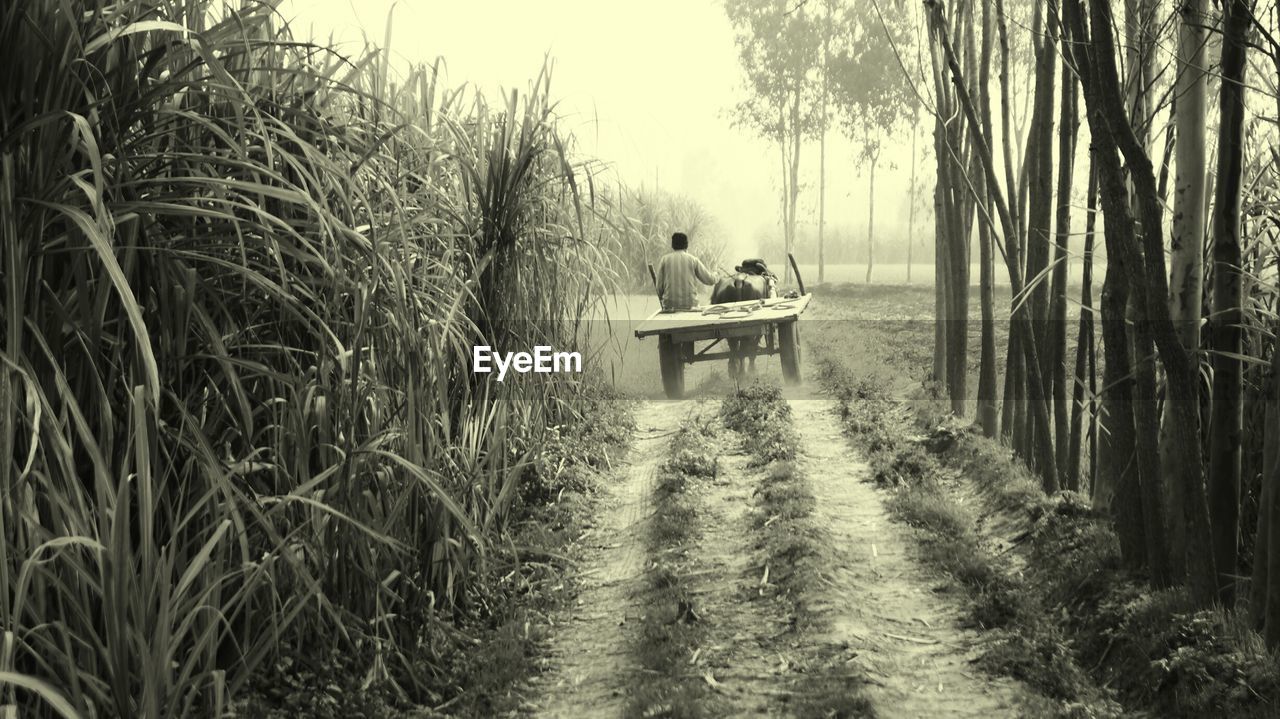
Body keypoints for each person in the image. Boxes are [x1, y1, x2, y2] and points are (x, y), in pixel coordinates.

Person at [655, 232, 718, 311]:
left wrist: (664, 299)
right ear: (686, 245)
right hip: (691, 306)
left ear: (672, 245)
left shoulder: (664, 260)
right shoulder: (693, 260)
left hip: (669, 306)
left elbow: (659, 287)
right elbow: (710, 280)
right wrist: (716, 274)